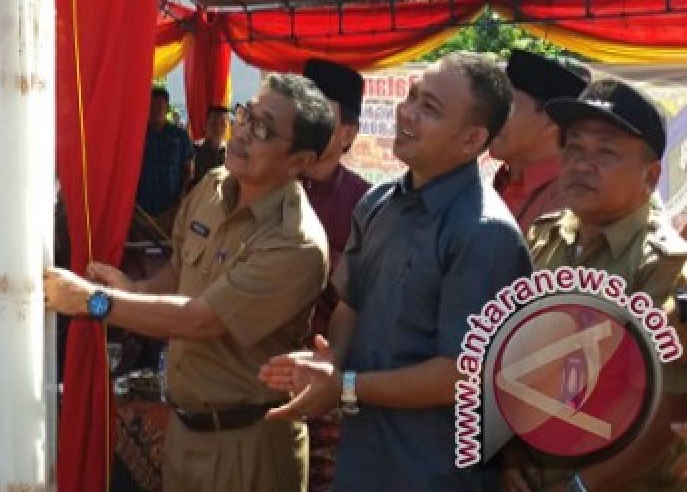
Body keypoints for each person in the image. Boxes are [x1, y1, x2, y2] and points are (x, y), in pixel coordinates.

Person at [46, 73, 335, 491]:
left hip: (247, 446)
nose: (241, 134)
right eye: (246, 114)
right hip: (185, 430)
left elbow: (201, 320)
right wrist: (134, 290)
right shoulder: (213, 187)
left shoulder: (296, 243)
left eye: (263, 128)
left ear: (299, 162)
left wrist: (96, 302)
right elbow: (178, 275)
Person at [261, 52, 533, 491]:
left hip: (433, 470)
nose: (406, 113)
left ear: (471, 139)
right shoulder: (379, 203)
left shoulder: (485, 233)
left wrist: (346, 387)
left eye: (430, 108)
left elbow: (458, 376)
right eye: (411, 97)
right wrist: (330, 364)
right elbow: (351, 304)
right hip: (364, 459)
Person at [501, 80, 687, 491]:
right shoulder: (544, 239)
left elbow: (667, 410)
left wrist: (581, 487)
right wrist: (508, 455)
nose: (582, 164)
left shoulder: (669, 266)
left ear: (652, 176)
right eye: (574, 148)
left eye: (605, 152)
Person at [300, 57, 372, 492]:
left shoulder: (365, 203)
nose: (306, 121)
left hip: (324, 376)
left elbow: (364, 298)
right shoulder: (265, 185)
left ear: (348, 132)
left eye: (320, 111)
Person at [490, 49, 588, 233]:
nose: (492, 115)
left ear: (551, 120)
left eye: (507, 106)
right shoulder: (495, 182)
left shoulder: (572, 200)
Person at [134, 86, 194, 231]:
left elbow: (189, 171)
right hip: (139, 211)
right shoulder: (136, 135)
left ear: (167, 109)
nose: (155, 110)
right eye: (151, 105)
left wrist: (179, 202)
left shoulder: (180, 136)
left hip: (171, 210)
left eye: (159, 106)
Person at [190, 105, 230, 187]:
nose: (218, 128)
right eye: (214, 123)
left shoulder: (231, 152)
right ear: (206, 124)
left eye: (223, 124)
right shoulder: (194, 150)